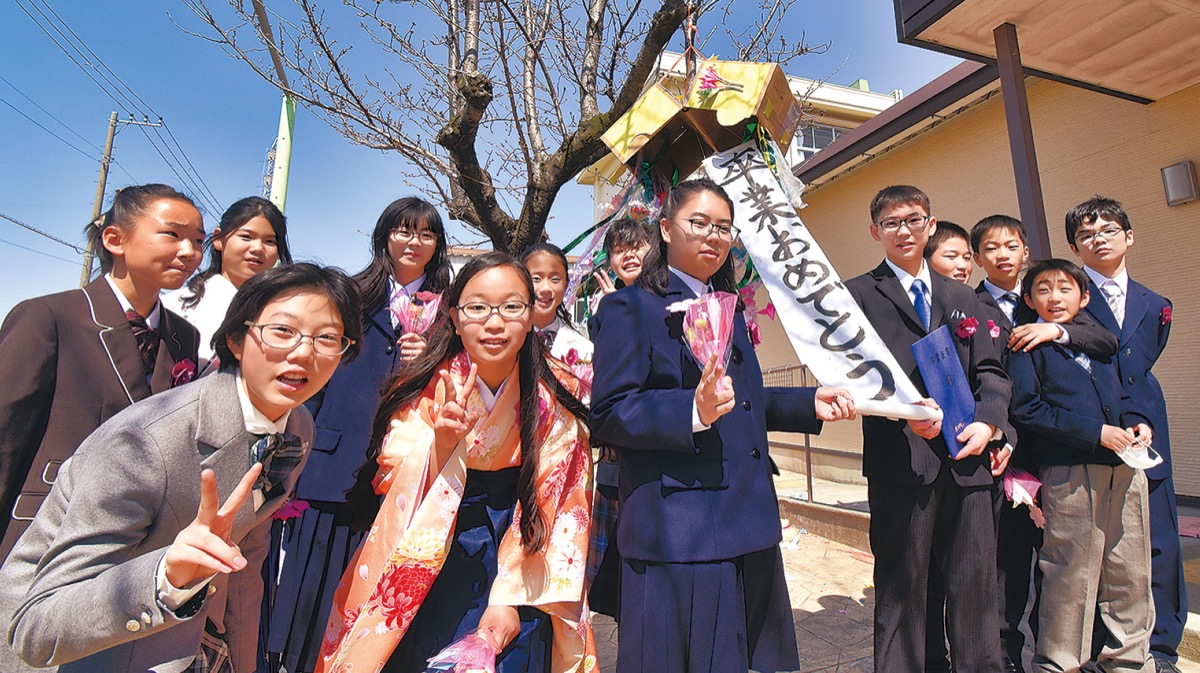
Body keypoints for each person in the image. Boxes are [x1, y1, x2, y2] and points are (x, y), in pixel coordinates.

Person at [0, 262, 362, 673]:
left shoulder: (297, 425)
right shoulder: (144, 443)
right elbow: (36, 625)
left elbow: (245, 567)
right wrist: (166, 577)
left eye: (327, 338)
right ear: (237, 339)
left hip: (190, 644)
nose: (304, 352)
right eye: (282, 331)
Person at [589, 177, 856, 673]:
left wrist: (808, 403)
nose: (713, 236)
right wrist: (693, 412)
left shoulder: (726, 305)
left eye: (724, 228)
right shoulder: (628, 308)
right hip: (681, 530)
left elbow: (741, 400)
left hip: (746, 520)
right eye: (700, 223)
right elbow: (608, 413)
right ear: (665, 229)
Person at [316, 252, 595, 673]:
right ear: (454, 315)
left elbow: (563, 505)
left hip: (523, 551)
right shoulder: (427, 385)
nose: (495, 322)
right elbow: (392, 470)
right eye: (478, 307)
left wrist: (507, 598)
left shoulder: (555, 400)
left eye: (512, 307)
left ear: (532, 312)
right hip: (434, 549)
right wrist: (442, 444)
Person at [262, 197, 452, 673]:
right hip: (330, 469)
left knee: (373, 607)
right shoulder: (348, 294)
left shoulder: (449, 310)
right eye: (404, 231)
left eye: (426, 234)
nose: (414, 242)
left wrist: (427, 357)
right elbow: (312, 381)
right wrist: (291, 462)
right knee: (308, 601)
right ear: (385, 235)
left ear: (438, 245)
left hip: (403, 476)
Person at [845, 185, 1011, 673]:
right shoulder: (855, 296)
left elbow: (992, 373)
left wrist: (989, 422)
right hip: (901, 462)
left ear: (931, 225)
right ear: (875, 231)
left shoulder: (962, 295)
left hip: (967, 460)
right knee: (901, 591)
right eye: (892, 222)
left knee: (976, 590)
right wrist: (904, 414)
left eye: (914, 219)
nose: (904, 230)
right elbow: (849, 375)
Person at [0, 183, 205, 559]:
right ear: (115, 239)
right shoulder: (49, 317)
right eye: (172, 235)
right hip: (41, 532)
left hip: (131, 544)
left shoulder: (183, 337)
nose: (190, 252)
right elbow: (5, 437)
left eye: (198, 240)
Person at [970, 214, 1118, 673]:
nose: (1003, 255)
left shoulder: (1050, 300)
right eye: (992, 248)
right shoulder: (969, 305)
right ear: (978, 258)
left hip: (1057, 451)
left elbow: (1104, 339)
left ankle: (1061, 651)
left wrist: (1056, 330)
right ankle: (1006, 654)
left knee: (1062, 560)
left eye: (1011, 245)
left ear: (1025, 250)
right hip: (1006, 450)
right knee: (1009, 561)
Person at [1006, 258, 1155, 673]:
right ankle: (1058, 662)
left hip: (1124, 466)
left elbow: (1125, 392)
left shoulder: (1097, 343)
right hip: (1070, 470)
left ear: (1084, 297)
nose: (1054, 297)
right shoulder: (1024, 345)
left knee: (1130, 568)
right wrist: (1096, 433)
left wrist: (1137, 424)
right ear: (1029, 298)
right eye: (1043, 289)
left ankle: (1128, 661)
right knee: (1070, 570)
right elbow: (1028, 409)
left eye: (1065, 288)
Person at [1066, 196, 1181, 673]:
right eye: (1088, 234)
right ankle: (1100, 647)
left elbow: (1142, 367)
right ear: (1075, 247)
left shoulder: (1156, 304)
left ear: (1128, 236)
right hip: (1096, 430)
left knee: (1159, 537)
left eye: (1109, 230)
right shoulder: (1066, 298)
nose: (1099, 239)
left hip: (1148, 429)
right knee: (1099, 541)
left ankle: (1161, 647)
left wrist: (1143, 417)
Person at [163, 196, 293, 369]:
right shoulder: (174, 306)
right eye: (246, 237)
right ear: (218, 239)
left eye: (269, 241)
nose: (257, 248)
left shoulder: (284, 315)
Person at [522, 242, 593, 367]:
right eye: (536, 279)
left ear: (566, 284)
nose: (545, 288)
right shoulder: (504, 340)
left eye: (555, 279)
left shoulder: (584, 348)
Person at [592, 216, 654, 295]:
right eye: (619, 251)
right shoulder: (611, 302)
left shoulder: (669, 294)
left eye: (636, 247)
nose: (628, 255)